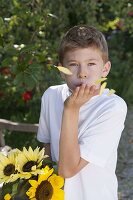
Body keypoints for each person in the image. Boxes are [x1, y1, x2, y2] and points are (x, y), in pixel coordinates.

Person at [37, 25, 127, 200]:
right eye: (73, 65)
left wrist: (71, 108)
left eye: (91, 64)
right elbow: (47, 148)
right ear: (61, 69)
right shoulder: (51, 95)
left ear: (105, 69)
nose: (83, 73)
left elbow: (68, 170)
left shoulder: (113, 107)